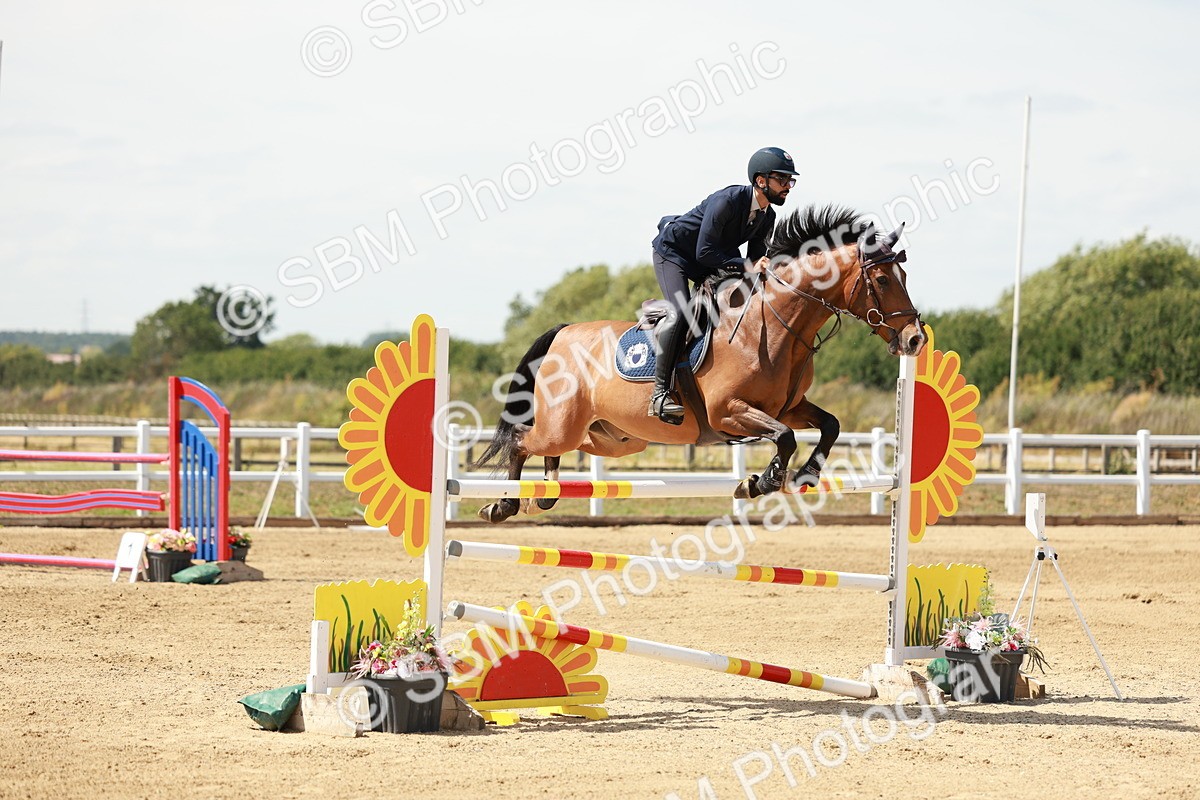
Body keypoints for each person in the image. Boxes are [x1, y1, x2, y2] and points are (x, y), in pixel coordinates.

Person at [647, 146, 798, 424]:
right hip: (674, 254)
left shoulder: (768, 217)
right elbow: (705, 252)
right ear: (760, 180)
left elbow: (753, 262)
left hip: (710, 259)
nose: (788, 186)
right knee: (680, 313)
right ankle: (660, 395)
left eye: (791, 181)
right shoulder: (727, 201)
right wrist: (748, 267)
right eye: (782, 179)